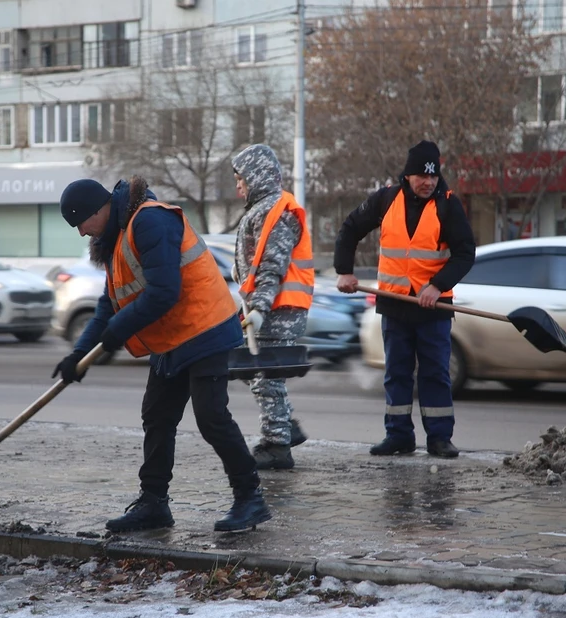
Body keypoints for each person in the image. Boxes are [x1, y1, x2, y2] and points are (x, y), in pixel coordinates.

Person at [53, 176, 272, 533]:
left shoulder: (151, 220)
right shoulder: (115, 239)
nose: (81, 233)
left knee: (211, 416)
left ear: (99, 209)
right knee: (156, 416)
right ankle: (154, 503)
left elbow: (164, 292)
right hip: (172, 338)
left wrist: (115, 336)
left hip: (206, 329)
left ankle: (250, 498)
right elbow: (108, 304)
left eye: (80, 223)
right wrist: (77, 355)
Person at [334, 140, 475, 459]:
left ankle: (439, 438)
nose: (428, 182)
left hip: (434, 309)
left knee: (435, 373)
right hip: (394, 304)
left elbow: (465, 254)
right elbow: (351, 228)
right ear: (408, 176)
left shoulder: (448, 205)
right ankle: (398, 435)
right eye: (422, 176)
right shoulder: (386, 199)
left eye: (434, 177)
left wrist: (437, 286)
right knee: (396, 372)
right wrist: (344, 271)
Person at [231, 144, 314, 470]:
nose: (238, 185)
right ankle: (286, 426)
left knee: (264, 375)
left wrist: (260, 310)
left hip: (278, 308)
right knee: (252, 367)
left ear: (256, 175)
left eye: (241, 178)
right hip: (268, 306)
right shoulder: (263, 208)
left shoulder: (276, 211)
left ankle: (276, 446)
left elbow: (272, 267)